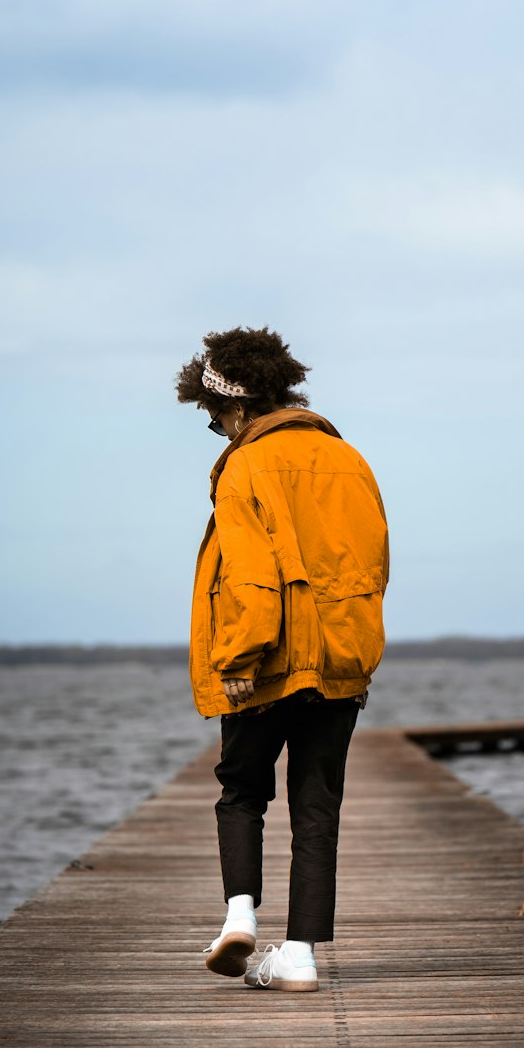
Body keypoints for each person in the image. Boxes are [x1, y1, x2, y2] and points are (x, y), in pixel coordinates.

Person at [176, 324, 389, 993]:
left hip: (264, 664)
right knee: (316, 807)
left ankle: (239, 914)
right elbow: (375, 564)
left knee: (241, 791)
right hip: (339, 661)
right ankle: (298, 957)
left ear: (236, 409)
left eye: (215, 421)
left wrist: (238, 656)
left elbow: (249, 571)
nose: (219, 432)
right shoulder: (351, 458)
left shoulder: (245, 464)